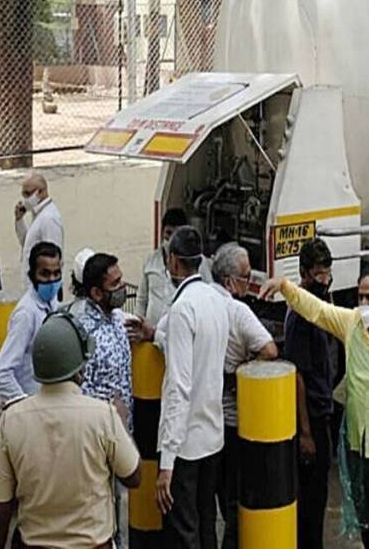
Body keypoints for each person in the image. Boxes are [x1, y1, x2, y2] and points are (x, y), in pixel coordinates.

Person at [260, 268, 369, 549]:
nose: (365, 304)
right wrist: (284, 286)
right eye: (360, 297)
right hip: (360, 447)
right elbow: (316, 311)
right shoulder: (351, 324)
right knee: (368, 524)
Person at [0, 312, 141, 549]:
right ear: (79, 364)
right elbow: (133, 476)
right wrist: (120, 423)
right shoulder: (103, 416)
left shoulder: (12, 420)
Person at [155, 226, 230, 549]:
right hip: (213, 435)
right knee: (206, 525)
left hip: (185, 445)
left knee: (185, 533)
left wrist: (166, 463)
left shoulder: (182, 309)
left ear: (173, 261)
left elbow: (179, 388)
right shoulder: (216, 300)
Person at [210, 242, 277, 549]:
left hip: (202, 417)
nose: (250, 282)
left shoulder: (196, 302)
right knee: (235, 499)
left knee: (207, 500)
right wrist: (244, 370)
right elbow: (269, 349)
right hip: (233, 420)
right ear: (229, 281)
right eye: (246, 276)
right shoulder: (238, 312)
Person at [283, 238, 339, 549]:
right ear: (304, 273)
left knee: (319, 497)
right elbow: (297, 376)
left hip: (324, 410)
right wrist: (305, 432)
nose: (325, 280)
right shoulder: (301, 315)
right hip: (311, 419)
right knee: (310, 500)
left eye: (327, 273)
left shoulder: (321, 306)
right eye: (319, 274)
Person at [0, 242, 63, 404]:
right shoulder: (26, 314)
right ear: (32, 275)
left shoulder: (52, 303)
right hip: (32, 408)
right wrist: (24, 406)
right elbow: (1, 373)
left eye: (56, 273)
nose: (52, 280)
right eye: (44, 274)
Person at [76, 253, 133, 431]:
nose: (122, 286)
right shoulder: (83, 333)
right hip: (98, 433)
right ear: (97, 293)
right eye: (115, 284)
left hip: (123, 430)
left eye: (121, 280)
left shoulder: (116, 319)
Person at [136, 208, 212, 327]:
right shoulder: (150, 260)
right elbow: (142, 299)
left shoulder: (199, 262)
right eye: (168, 233)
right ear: (162, 233)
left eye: (176, 234)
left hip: (180, 330)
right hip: (150, 335)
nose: (171, 239)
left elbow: (208, 296)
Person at [13, 173, 64, 283]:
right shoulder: (38, 216)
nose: (25, 199)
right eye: (23, 194)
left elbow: (52, 258)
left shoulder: (49, 218)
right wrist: (19, 220)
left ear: (41, 192)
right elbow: (27, 244)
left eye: (27, 194)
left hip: (42, 287)